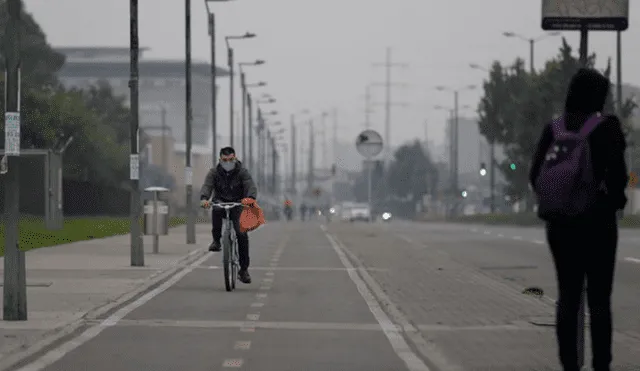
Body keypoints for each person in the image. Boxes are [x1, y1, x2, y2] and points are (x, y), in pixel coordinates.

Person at [529, 68, 628, 371]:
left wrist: (561, 202)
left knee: (568, 296)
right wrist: (612, 202)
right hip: (598, 225)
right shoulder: (607, 128)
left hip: (560, 227)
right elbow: (619, 178)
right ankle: (601, 365)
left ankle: (569, 365)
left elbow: (535, 175)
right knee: (599, 300)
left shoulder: (554, 129)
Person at [200, 146, 257, 284]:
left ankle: (243, 270)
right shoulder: (214, 172)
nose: (228, 163)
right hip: (220, 202)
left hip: (238, 204)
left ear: (235, 158)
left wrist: (250, 198)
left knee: (241, 234)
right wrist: (204, 198)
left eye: (231, 160)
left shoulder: (242, 172)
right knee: (216, 212)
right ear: (220, 160)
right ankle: (216, 241)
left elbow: (250, 185)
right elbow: (207, 186)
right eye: (225, 160)